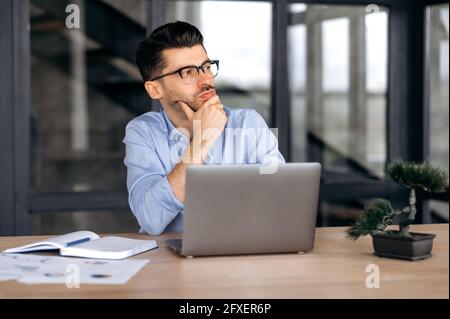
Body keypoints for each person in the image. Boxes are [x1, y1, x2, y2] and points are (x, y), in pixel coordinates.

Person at [123, 21, 285, 235]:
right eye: (187, 73)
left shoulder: (248, 124)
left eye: (206, 67)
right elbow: (151, 219)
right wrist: (202, 141)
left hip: (244, 254)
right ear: (155, 90)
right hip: (170, 263)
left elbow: (282, 205)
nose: (206, 80)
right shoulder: (143, 132)